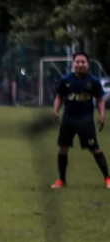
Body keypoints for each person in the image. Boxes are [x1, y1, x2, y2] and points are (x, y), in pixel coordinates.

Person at [52, 51, 108, 188]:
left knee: (94, 149)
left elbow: (100, 100)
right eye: (77, 62)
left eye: (83, 62)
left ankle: (107, 178)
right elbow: (59, 97)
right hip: (68, 120)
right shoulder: (65, 80)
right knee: (63, 148)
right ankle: (61, 180)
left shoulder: (93, 82)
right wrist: (56, 110)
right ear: (73, 64)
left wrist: (101, 115)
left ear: (87, 64)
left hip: (85, 121)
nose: (80, 64)